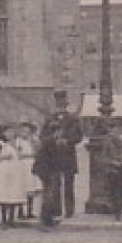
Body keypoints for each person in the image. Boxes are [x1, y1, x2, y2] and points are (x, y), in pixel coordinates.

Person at [39, 89, 83, 219]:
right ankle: (56, 209)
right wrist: (53, 140)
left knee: (69, 183)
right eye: (59, 103)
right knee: (55, 183)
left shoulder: (73, 119)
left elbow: (79, 136)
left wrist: (68, 141)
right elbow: (43, 135)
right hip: (54, 156)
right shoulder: (49, 119)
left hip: (68, 155)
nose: (61, 105)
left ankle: (69, 210)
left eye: (63, 103)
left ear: (66, 103)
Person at [0, 127, 26, 228]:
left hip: (14, 171)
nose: (10, 134)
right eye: (7, 132)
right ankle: (4, 220)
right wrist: (4, 157)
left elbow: (20, 156)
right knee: (4, 195)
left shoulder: (18, 144)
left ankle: (11, 219)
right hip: (3, 172)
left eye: (12, 132)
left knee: (13, 194)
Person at [96, 119, 122, 221]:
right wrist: (113, 162)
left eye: (116, 128)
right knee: (115, 192)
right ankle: (117, 212)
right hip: (113, 169)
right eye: (112, 128)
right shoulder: (107, 141)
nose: (115, 131)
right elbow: (102, 158)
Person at [15, 121, 40, 220]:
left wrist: (34, 145)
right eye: (23, 131)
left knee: (31, 188)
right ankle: (20, 211)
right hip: (22, 165)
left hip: (31, 165)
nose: (25, 133)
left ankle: (30, 211)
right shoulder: (18, 141)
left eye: (27, 132)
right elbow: (18, 154)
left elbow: (37, 152)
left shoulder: (33, 141)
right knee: (22, 188)